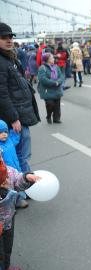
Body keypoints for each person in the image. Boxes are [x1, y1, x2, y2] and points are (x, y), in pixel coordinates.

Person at [0, 22, 40, 173]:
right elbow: (1, 93)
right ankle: (24, 186)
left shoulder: (9, 58)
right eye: (4, 37)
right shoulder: (1, 61)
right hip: (15, 117)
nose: (9, 40)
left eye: (10, 36)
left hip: (20, 113)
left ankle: (20, 184)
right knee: (20, 155)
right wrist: (14, 118)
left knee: (20, 154)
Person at [37, 53, 64, 124]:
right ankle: (48, 116)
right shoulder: (42, 68)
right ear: (47, 60)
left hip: (57, 89)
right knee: (50, 104)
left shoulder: (56, 67)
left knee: (57, 105)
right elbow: (43, 79)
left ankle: (56, 118)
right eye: (52, 58)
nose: (54, 59)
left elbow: (61, 76)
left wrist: (58, 82)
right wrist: (54, 83)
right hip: (47, 90)